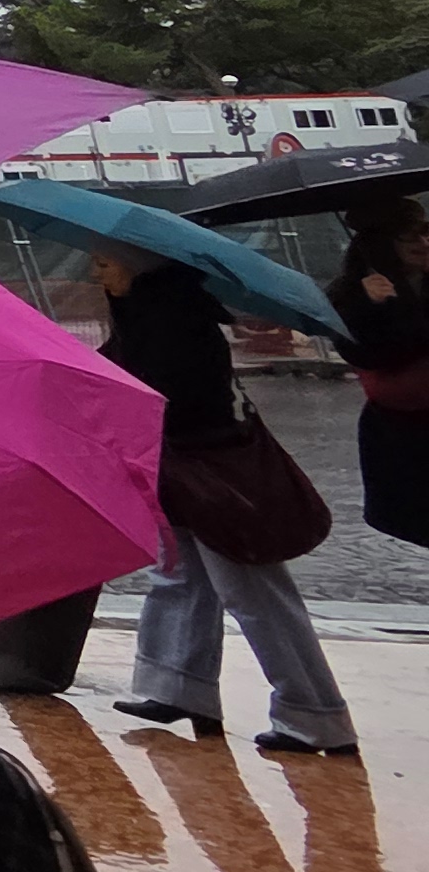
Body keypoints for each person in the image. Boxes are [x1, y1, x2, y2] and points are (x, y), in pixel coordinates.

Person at [102, 251, 358, 754]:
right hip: (178, 473)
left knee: (255, 595)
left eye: (105, 263)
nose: (97, 271)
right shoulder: (145, 319)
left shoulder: (176, 325)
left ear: (141, 268)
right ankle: (175, 686)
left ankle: (316, 714)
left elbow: (173, 399)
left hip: (211, 476)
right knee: (179, 576)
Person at [330, 200, 429, 551]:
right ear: (383, 243)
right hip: (402, 431)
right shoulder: (351, 294)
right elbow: (371, 357)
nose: (424, 243)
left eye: (426, 232)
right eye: (410, 237)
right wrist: (373, 308)